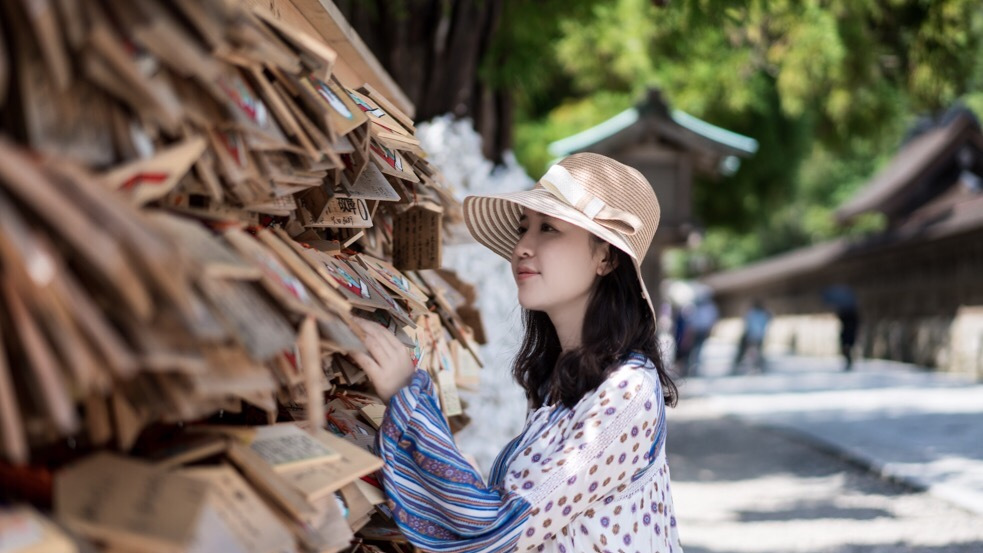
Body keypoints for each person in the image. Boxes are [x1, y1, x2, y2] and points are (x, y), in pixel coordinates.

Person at [351, 153, 683, 552]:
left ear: (606, 257)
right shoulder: (567, 385)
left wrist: (410, 397)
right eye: (524, 227)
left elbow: (500, 528)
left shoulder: (627, 391)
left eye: (549, 229)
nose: (523, 246)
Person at [731, 299, 770, 374]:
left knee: (749, 352)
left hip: (751, 336)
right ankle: (757, 366)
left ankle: (751, 366)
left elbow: (746, 322)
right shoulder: (764, 314)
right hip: (759, 336)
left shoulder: (752, 314)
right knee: (756, 352)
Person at [684, 293, 718, 376]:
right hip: (695, 331)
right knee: (692, 349)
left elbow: (712, 319)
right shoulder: (696, 306)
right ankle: (690, 366)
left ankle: (695, 367)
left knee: (698, 349)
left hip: (702, 331)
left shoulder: (709, 307)